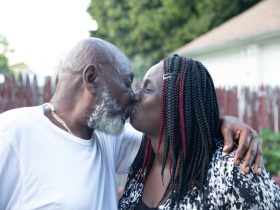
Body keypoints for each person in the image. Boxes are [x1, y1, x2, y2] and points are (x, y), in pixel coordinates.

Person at [0, 38, 261, 210]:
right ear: (92, 77)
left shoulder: (108, 140)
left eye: (142, 87)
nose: (132, 95)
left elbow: (177, 136)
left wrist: (221, 122)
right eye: (127, 82)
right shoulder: (12, 133)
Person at [119, 55, 280, 210]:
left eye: (147, 89)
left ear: (177, 105)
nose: (135, 96)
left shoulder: (233, 172)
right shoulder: (140, 161)